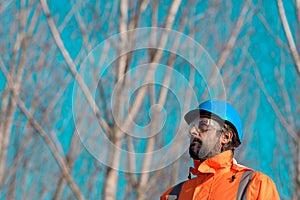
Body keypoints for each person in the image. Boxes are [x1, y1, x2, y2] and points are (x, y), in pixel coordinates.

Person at [160, 100, 280, 200]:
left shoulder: (255, 185)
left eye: (203, 124)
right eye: (193, 126)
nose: (193, 132)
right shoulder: (172, 195)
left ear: (226, 137)